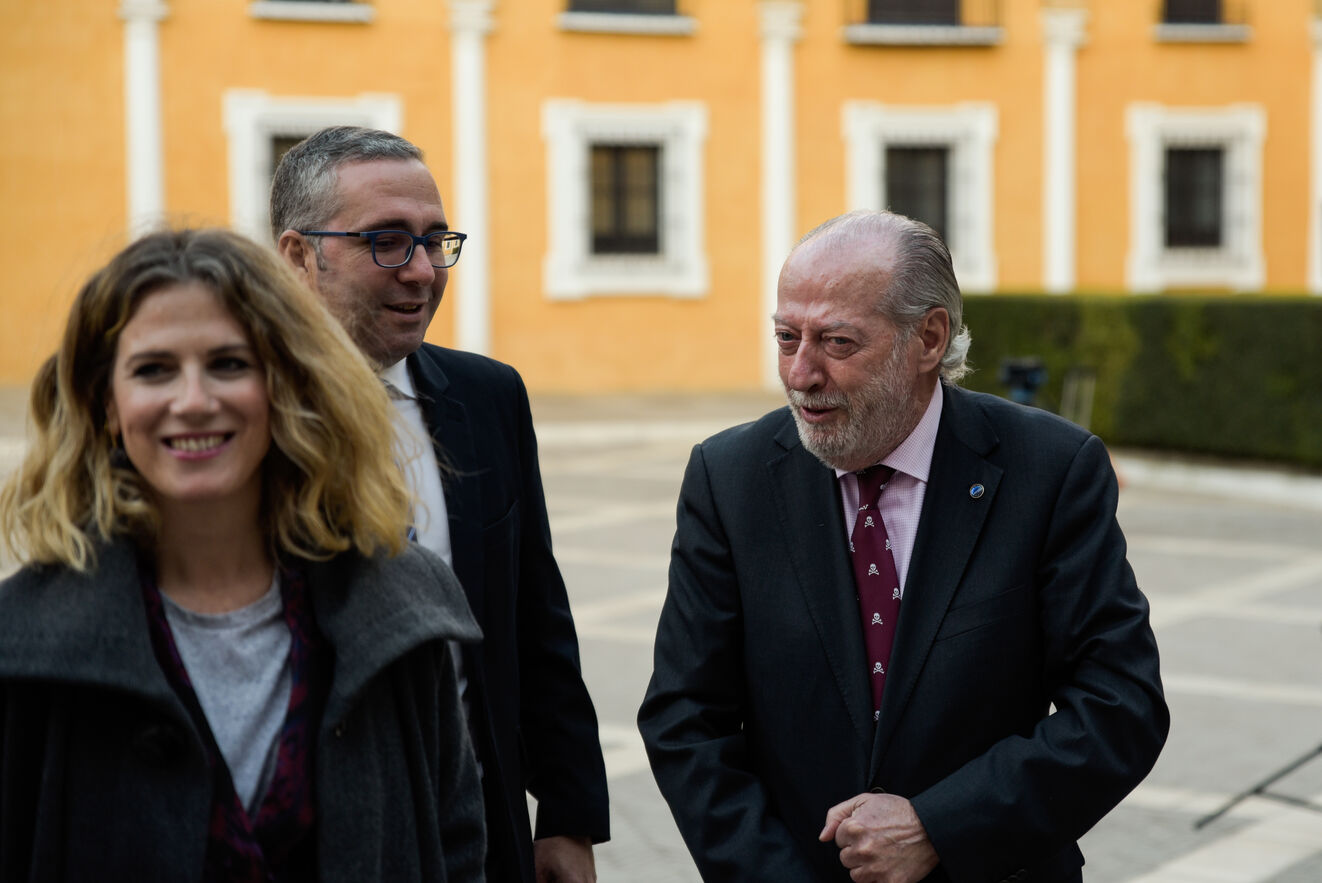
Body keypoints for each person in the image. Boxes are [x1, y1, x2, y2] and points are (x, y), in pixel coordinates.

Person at [638, 210, 1169, 882]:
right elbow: (686, 719)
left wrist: (942, 825)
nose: (801, 373)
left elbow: (1120, 706)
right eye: (786, 337)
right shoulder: (729, 478)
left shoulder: (1050, 470)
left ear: (929, 338)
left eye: (837, 342)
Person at [0, 229, 484, 881]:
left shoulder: (403, 611)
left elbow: (455, 848)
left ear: (285, 386)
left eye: (229, 364)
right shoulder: (21, 646)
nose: (194, 401)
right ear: (106, 402)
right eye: (153, 370)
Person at [271, 126, 609, 883]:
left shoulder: (489, 396)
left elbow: (536, 619)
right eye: (387, 241)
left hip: (481, 835)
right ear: (299, 256)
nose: (422, 270)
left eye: (434, 240)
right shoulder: (241, 416)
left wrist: (568, 815)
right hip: (312, 841)